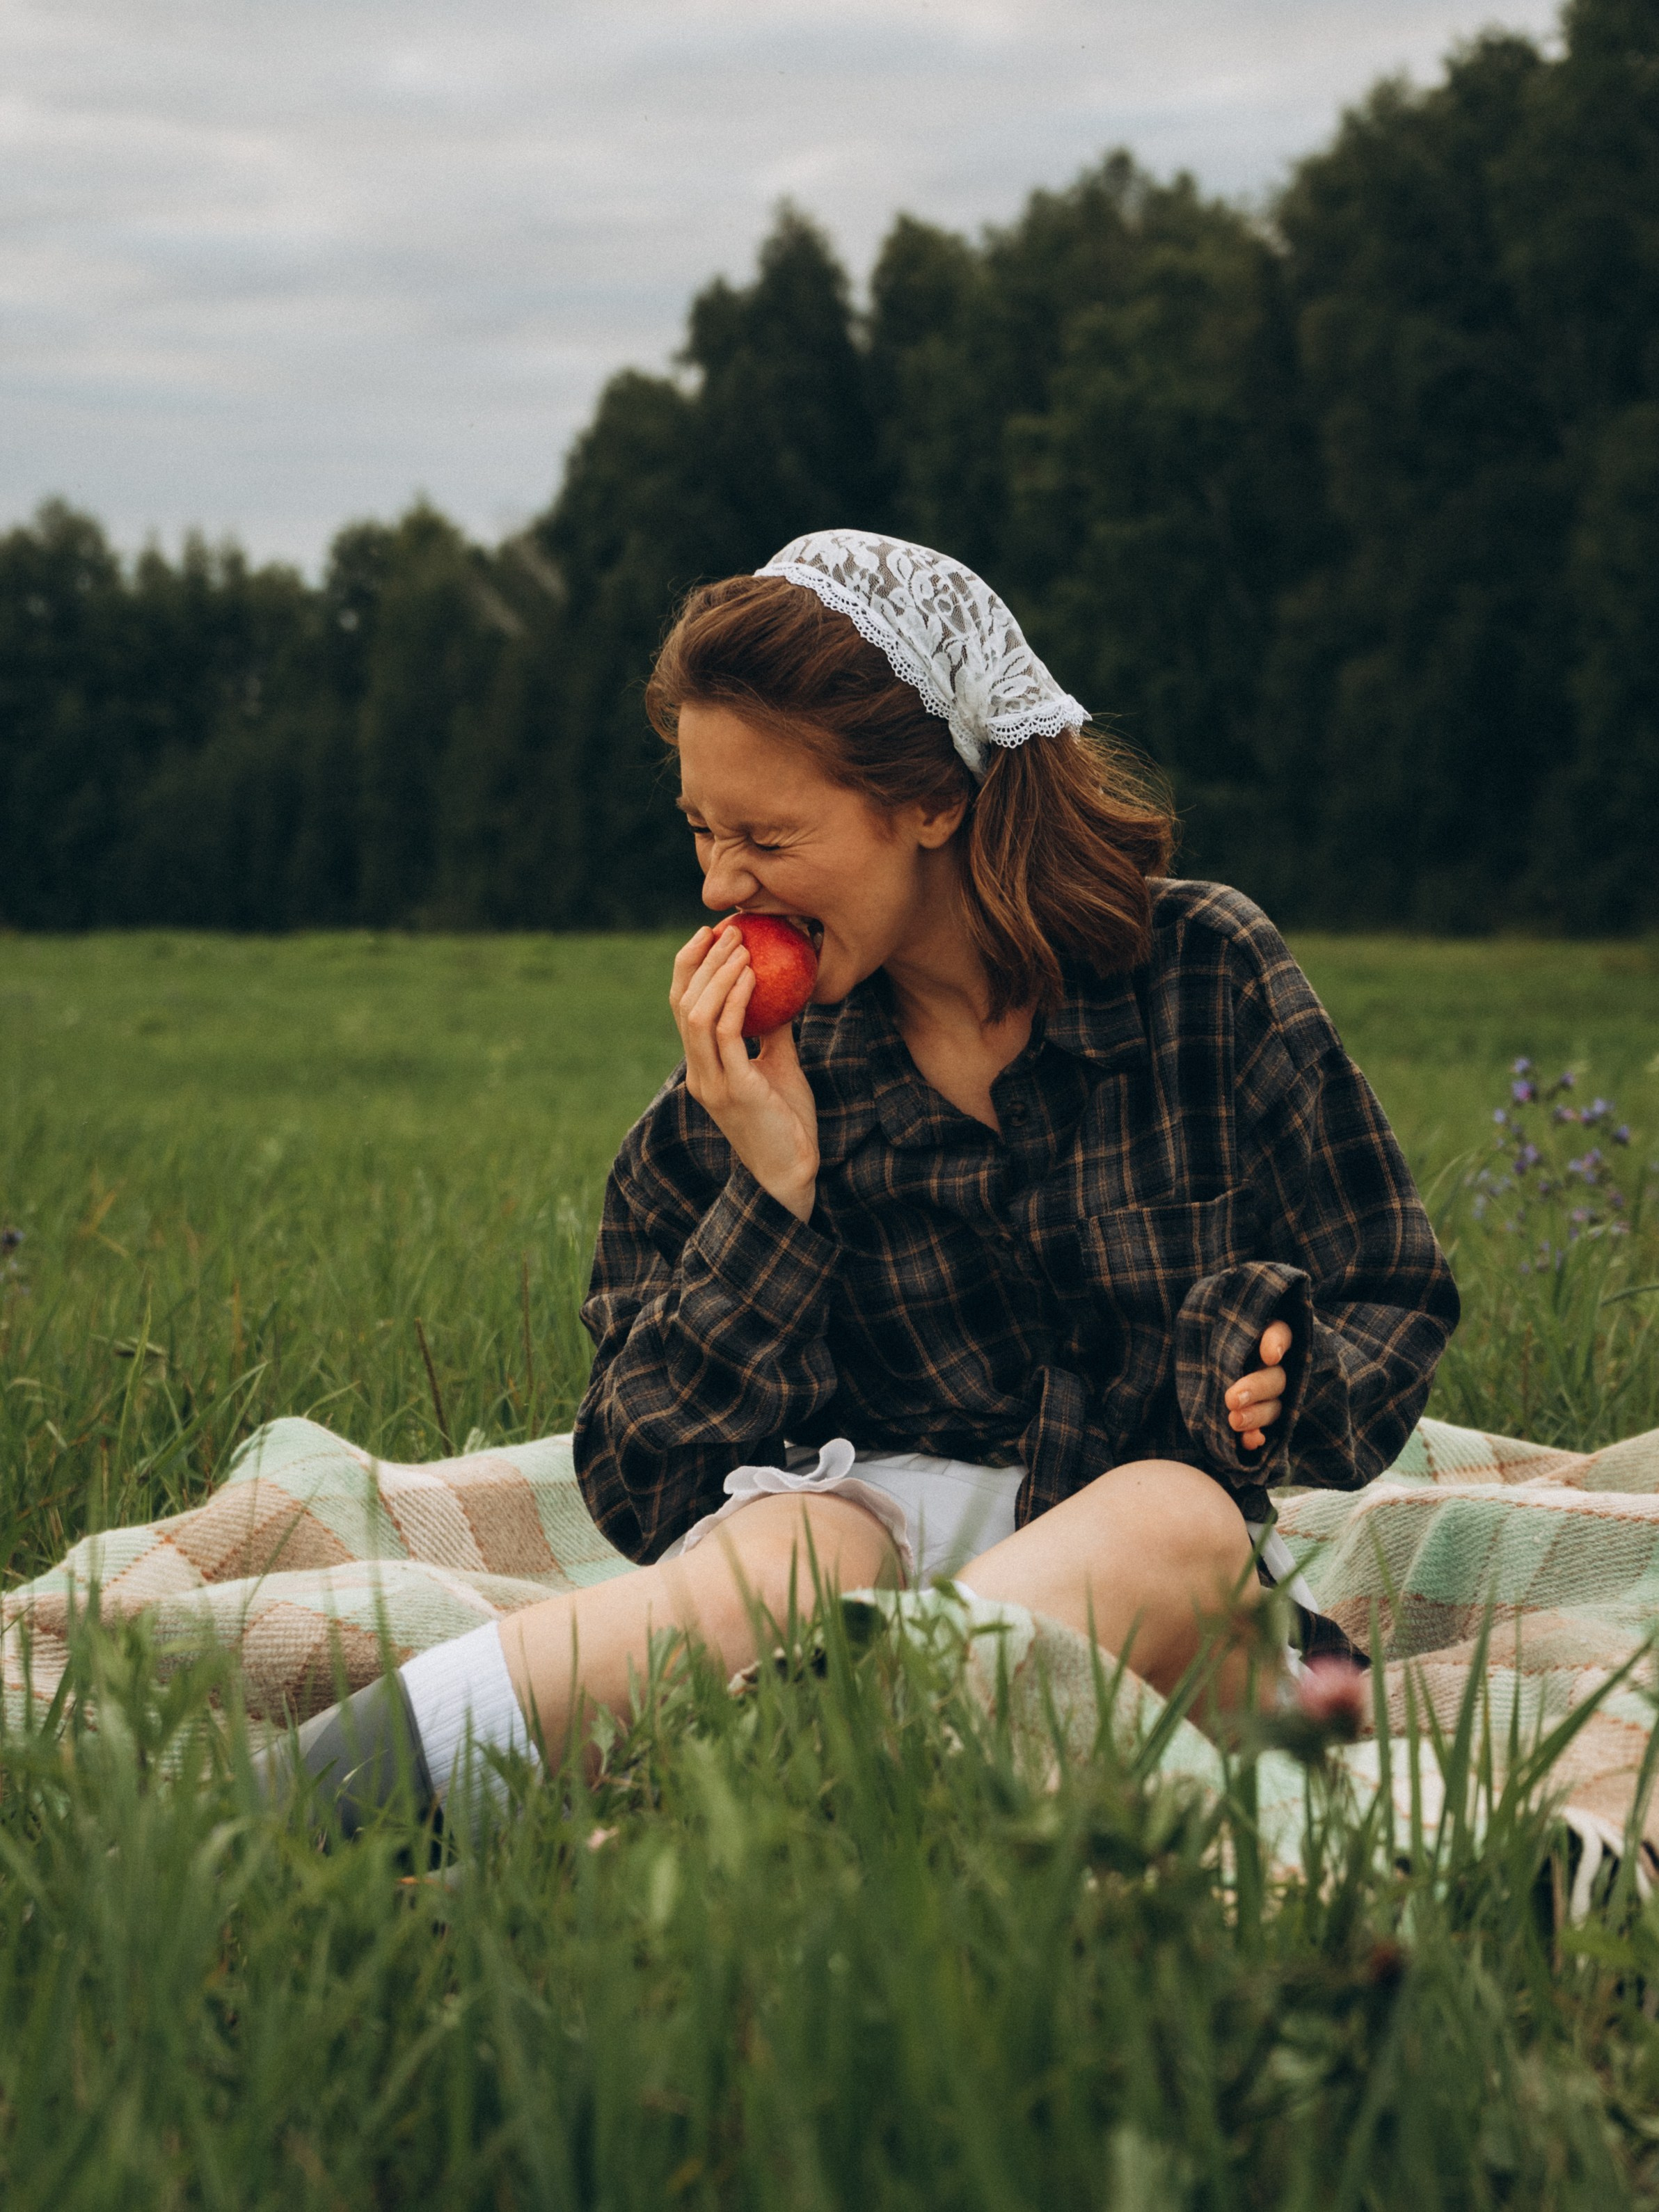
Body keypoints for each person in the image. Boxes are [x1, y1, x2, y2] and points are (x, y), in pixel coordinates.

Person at [257, 530, 1458, 1836]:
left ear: (933, 800)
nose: (720, 887)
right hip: (852, 1574)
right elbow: (638, 1485)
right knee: (792, 1550)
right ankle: (269, 1825)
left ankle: (758, 1800)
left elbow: (1391, 1290)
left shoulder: (1201, 973)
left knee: (1169, 1514)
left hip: (1155, 1601)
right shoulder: (739, 1092)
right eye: (704, 832)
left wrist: (1277, 1368)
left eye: (766, 834)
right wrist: (772, 1194)